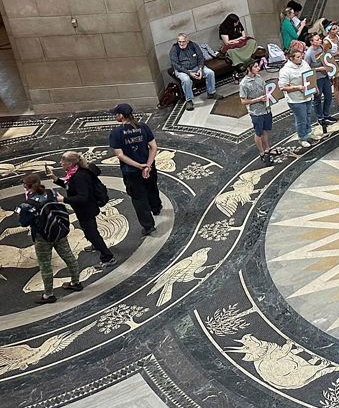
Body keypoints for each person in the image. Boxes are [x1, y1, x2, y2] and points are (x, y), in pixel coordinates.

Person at [19, 174, 81, 304]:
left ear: (26, 187)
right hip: (59, 231)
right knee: (69, 256)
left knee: (45, 265)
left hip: (42, 237)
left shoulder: (27, 204)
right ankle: (76, 282)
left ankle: (49, 294)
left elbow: (23, 222)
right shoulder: (51, 192)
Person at [48, 152, 113, 265]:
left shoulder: (79, 176)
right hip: (85, 209)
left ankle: (107, 257)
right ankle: (96, 245)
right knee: (92, 231)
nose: (60, 163)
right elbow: (70, 186)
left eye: (63, 162)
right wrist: (55, 178)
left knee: (91, 233)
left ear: (70, 163)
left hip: (86, 210)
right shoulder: (74, 173)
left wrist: (64, 200)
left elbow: (83, 197)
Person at [108, 104, 161, 237]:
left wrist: (139, 166)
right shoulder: (143, 127)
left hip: (132, 171)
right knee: (152, 187)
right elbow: (153, 147)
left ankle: (149, 226)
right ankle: (156, 207)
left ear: (121, 116)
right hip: (149, 167)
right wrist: (148, 165)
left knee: (138, 198)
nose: (115, 116)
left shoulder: (116, 133)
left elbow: (120, 155)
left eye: (116, 114)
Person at [278, 49, 317, 148]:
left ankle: (308, 132)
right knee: (301, 119)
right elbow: (282, 87)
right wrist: (297, 88)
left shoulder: (304, 64)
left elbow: (310, 75)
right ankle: (302, 137)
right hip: (295, 99)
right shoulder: (285, 70)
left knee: (308, 115)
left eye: (301, 56)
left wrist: (314, 86)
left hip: (307, 96)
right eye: (298, 57)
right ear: (291, 58)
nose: (301, 59)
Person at [168, 32, 216, 111]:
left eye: (183, 41)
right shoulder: (174, 49)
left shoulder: (194, 45)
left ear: (187, 41)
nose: (181, 43)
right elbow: (176, 65)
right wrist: (189, 73)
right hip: (182, 70)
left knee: (210, 72)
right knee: (186, 80)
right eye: (179, 42)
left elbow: (200, 58)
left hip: (196, 67)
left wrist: (200, 69)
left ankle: (211, 93)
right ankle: (189, 100)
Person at [239, 59, 274, 164]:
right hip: (256, 112)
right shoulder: (244, 84)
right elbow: (243, 101)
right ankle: (262, 152)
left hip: (265, 109)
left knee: (265, 130)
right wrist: (257, 100)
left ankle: (267, 148)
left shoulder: (259, 78)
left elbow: (265, 90)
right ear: (249, 69)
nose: (258, 68)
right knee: (258, 132)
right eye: (255, 67)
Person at [303, 33, 335, 126]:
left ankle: (326, 114)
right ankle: (320, 117)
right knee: (317, 98)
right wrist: (318, 69)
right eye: (317, 40)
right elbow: (306, 69)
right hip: (317, 79)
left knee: (328, 96)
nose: (320, 40)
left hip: (325, 76)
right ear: (311, 42)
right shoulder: (309, 54)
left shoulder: (321, 48)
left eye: (319, 39)